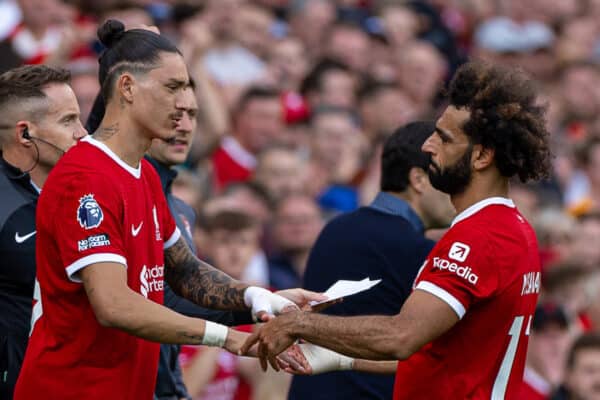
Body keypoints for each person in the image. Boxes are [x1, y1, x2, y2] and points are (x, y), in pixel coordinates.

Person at [14, 20, 319, 400]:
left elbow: (184, 271)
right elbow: (114, 305)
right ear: (127, 88)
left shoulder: (144, 175)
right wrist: (226, 338)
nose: (182, 105)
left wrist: (259, 298)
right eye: (172, 87)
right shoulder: (86, 177)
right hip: (71, 389)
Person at [242, 60, 552, 399]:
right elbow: (437, 352)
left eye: (444, 138)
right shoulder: (513, 228)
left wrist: (299, 324)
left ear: (481, 157)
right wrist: (340, 359)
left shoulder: (479, 238)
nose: (427, 146)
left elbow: (401, 336)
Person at [287, 121, 455, 400]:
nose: (456, 193)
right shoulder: (417, 250)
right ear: (419, 179)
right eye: (448, 179)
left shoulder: (334, 228)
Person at [144, 84, 254, 400]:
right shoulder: (128, 200)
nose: (185, 126)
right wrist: (220, 337)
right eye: (175, 116)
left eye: (193, 115)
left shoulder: (251, 294)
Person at [0, 65, 86, 400]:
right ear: (24, 135)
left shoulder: (70, 197)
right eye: (68, 121)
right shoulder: (7, 210)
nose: (82, 133)